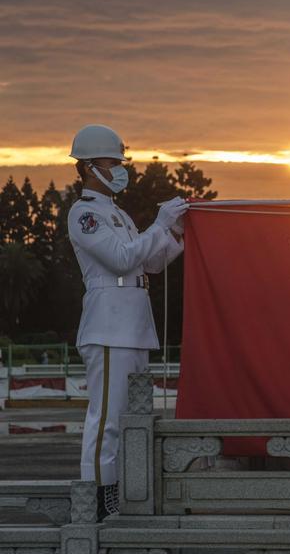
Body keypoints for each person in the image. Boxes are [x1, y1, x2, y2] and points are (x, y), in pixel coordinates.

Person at [67, 124, 188, 521]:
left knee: (132, 418)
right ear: (88, 168)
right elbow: (120, 260)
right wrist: (157, 225)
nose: (120, 169)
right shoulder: (84, 214)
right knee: (107, 419)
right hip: (108, 326)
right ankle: (99, 499)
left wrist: (171, 233)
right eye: (111, 162)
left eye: (120, 162)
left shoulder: (117, 213)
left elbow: (148, 262)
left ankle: (123, 489)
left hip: (133, 325)